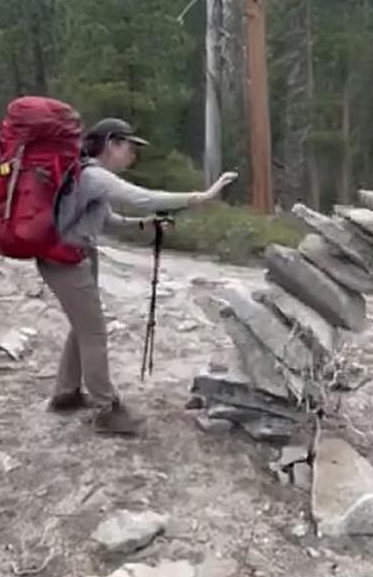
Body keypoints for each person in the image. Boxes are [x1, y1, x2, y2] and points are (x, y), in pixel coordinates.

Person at [40, 117, 237, 436]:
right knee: (94, 332)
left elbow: (110, 222)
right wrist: (201, 197)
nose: (132, 155)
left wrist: (147, 224)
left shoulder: (89, 178)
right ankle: (107, 410)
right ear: (110, 144)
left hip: (75, 255)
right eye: (128, 147)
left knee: (83, 327)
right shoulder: (94, 176)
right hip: (65, 259)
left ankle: (66, 395)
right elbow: (143, 197)